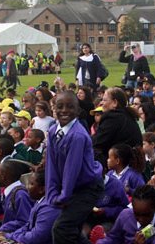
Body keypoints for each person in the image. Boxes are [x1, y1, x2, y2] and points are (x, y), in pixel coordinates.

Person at [46, 91, 103, 243]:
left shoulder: (77, 135)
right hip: (72, 186)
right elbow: (51, 165)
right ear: (54, 109)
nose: (64, 110)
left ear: (78, 111)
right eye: (60, 106)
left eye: (70, 107)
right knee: (72, 230)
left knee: (61, 228)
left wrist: (64, 196)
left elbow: (72, 169)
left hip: (88, 187)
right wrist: (51, 193)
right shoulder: (52, 131)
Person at [93, 88, 142, 164]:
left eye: (104, 100)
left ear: (115, 103)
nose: (101, 103)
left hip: (119, 165)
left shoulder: (113, 118)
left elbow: (98, 144)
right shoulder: (127, 116)